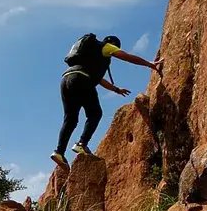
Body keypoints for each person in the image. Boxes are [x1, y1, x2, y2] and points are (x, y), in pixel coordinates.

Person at [51, 34, 162, 168]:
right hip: (81, 79)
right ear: (114, 44)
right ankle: (81, 144)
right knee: (95, 114)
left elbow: (99, 80)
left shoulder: (90, 55)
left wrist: (116, 89)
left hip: (66, 79)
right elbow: (127, 57)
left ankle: (59, 153)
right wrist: (148, 63)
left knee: (70, 119)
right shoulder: (106, 47)